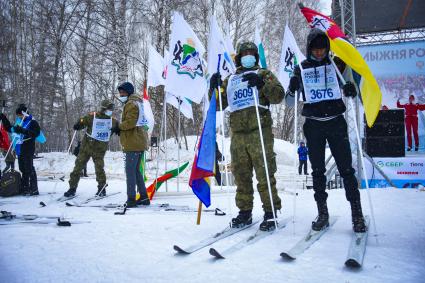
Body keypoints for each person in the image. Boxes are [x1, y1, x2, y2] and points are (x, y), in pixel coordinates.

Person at [285, 28, 367, 233]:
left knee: (346, 169)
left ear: (327, 48)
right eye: (316, 49)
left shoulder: (336, 64)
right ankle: (322, 213)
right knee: (318, 171)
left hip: (336, 122)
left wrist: (350, 88)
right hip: (314, 125)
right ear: (309, 48)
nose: (320, 53)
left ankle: (356, 213)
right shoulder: (301, 69)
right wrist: (292, 87)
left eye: (323, 49)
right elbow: (288, 102)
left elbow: (354, 89)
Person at [210, 41, 284, 231]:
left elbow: (278, 96)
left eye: (252, 53)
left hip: (259, 131)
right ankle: (244, 211)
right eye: (245, 53)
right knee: (241, 175)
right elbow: (218, 104)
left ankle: (270, 212)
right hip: (238, 134)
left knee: (265, 173)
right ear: (239, 58)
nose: (248, 56)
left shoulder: (263, 74)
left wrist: (262, 85)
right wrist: (214, 88)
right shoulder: (231, 79)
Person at [63, 99, 119, 197]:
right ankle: (72, 188)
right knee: (78, 167)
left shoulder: (113, 121)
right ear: (104, 108)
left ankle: (102, 188)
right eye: (109, 108)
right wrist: (78, 124)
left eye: (112, 108)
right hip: (86, 147)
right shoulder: (92, 117)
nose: (111, 110)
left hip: (100, 149)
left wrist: (119, 129)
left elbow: (120, 128)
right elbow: (82, 122)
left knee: (99, 169)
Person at [117, 82, 150, 208]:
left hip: (133, 142)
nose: (121, 95)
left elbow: (130, 122)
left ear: (129, 92)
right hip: (138, 141)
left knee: (130, 172)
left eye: (123, 92)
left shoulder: (131, 104)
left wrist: (118, 126)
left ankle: (131, 199)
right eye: (120, 92)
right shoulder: (137, 102)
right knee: (136, 171)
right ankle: (144, 197)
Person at [0, 104, 40, 195]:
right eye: (18, 115)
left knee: (29, 168)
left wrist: (22, 130)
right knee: (22, 168)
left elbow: (35, 134)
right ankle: (25, 187)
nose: (19, 117)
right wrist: (3, 118)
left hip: (28, 148)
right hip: (20, 149)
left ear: (24, 114)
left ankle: (34, 188)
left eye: (20, 115)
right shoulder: (20, 122)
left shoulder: (32, 122)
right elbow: (9, 128)